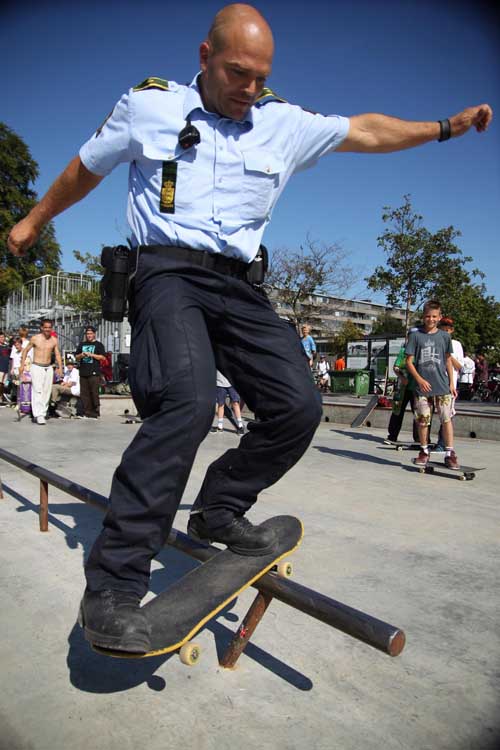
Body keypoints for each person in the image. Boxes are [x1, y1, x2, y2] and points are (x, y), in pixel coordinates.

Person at [7, 3, 492, 652]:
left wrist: (441, 128)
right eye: (238, 72)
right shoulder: (150, 106)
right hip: (167, 274)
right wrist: (34, 222)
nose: (250, 89)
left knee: (298, 406)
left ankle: (220, 507)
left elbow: (366, 131)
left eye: (261, 76)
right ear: (205, 57)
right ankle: (113, 588)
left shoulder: (281, 121)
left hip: (240, 285)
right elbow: (83, 169)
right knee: (186, 402)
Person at [405, 300, 459, 469]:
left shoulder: (445, 336)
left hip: (442, 385)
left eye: (434, 316)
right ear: (423, 317)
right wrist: (419, 379)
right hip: (422, 387)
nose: (431, 319)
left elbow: (448, 360)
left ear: (439, 317)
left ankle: (450, 453)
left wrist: (451, 383)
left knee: (446, 418)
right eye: (428, 316)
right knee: (423, 420)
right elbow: (409, 362)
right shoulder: (415, 335)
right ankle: (424, 451)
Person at [20, 319, 63, 425]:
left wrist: (60, 367)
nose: (47, 329)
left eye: (49, 327)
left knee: (46, 391)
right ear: (42, 328)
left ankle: (43, 412)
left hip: (48, 367)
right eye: (46, 327)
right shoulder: (35, 338)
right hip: (37, 366)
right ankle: (38, 414)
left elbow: (57, 354)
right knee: (37, 390)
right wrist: (22, 365)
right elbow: (25, 350)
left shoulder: (54, 340)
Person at [434, 317, 464, 452]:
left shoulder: (456, 345)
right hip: (435, 380)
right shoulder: (434, 341)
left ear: (452, 330)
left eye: (448, 330)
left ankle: (443, 443)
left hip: (449, 384)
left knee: (446, 414)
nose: (445, 332)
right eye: (443, 330)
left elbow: (458, 366)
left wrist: (448, 353)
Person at [385, 335, 419, 444]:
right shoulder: (403, 351)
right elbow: (396, 367)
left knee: (419, 412)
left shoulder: (421, 352)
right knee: (397, 411)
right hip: (403, 387)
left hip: (417, 387)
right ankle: (392, 436)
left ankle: (420, 438)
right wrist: (401, 377)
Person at [75, 327, 107, 419]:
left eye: (90, 333)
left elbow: (103, 357)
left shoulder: (99, 345)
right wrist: (81, 355)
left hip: (94, 372)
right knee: (84, 393)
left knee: (94, 392)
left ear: (94, 334)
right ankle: (86, 412)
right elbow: (76, 357)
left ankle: (95, 412)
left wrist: (91, 355)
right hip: (83, 372)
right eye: (87, 334)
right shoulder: (82, 344)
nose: (89, 335)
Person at [211, 370, 245, 435]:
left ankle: (240, 426)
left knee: (235, 403)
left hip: (232, 384)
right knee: (221, 405)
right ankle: (220, 427)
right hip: (220, 384)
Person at [0, 331, 11, 406]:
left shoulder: (6, 346)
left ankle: (1, 398)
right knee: (0, 383)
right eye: (1, 337)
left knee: (3, 384)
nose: (2, 338)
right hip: (0, 367)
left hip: (6, 368)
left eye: (3, 337)